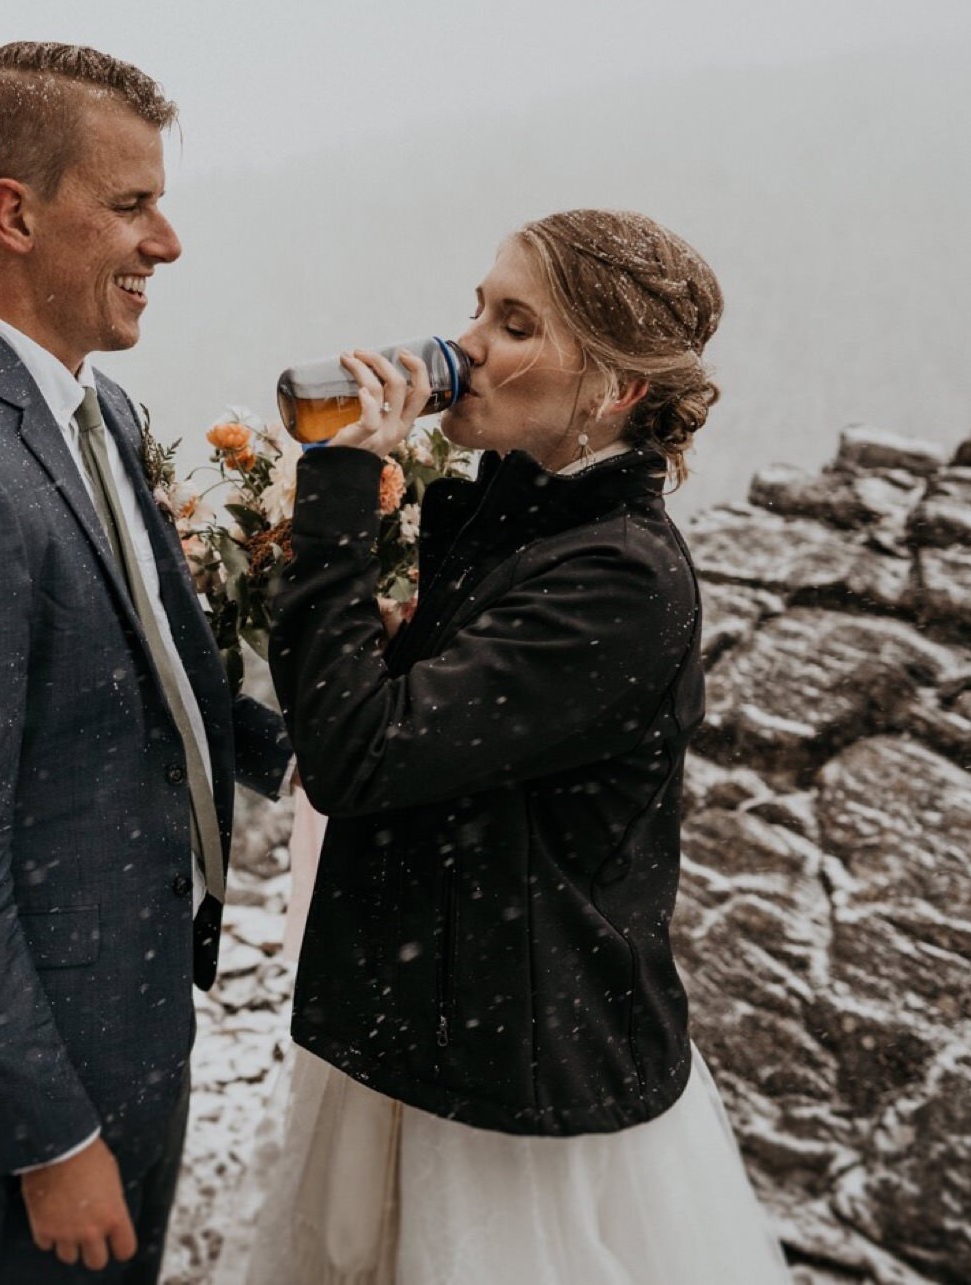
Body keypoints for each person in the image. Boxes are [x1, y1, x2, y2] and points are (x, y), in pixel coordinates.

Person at [249, 210, 791, 1282]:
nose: (468, 346)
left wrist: (340, 492)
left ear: (613, 389)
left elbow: (357, 759)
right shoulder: (511, 517)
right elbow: (396, 737)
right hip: (429, 1026)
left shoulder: (620, 577)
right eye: (477, 310)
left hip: (513, 1090)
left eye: (513, 323)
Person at [0, 42, 291, 1284]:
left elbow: (162, 670)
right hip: (50, 1056)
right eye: (133, 204)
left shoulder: (99, 412)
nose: (168, 243)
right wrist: (51, 1137)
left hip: (136, 998)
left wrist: (323, 754)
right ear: (15, 214)